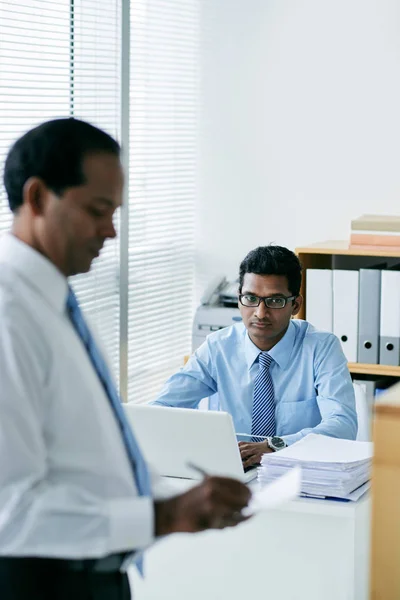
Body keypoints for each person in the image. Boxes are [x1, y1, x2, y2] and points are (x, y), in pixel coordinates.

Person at [0, 118, 251, 600]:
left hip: (96, 573)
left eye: (114, 211)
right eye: (97, 210)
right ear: (37, 199)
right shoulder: (11, 317)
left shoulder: (56, 303)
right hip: (41, 582)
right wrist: (165, 515)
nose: (111, 231)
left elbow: (85, 455)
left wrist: (176, 502)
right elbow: (10, 509)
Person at [153, 245, 358, 467]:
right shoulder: (218, 346)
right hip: (237, 471)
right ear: (239, 298)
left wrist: (275, 445)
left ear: (295, 305)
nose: (260, 313)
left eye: (275, 301)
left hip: (299, 471)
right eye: (250, 298)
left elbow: (343, 425)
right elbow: (162, 408)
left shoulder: (321, 347)